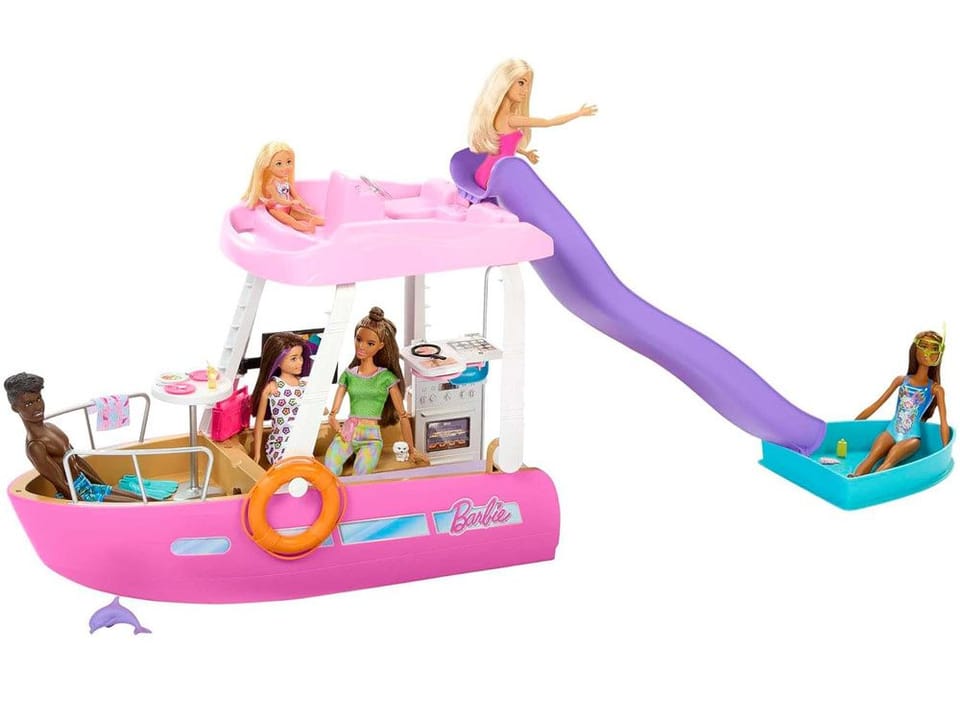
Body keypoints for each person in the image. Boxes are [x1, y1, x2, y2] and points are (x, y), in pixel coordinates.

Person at [5, 372, 145, 502]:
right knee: (138, 504)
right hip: (77, 495)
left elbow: (77, 460)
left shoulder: (51, 427)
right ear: (15, 408)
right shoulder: (35, 446)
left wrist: (104, 485)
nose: (37, 407)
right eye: (28, 403)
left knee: (144, 499)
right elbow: (61, 484)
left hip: (87, 485)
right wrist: (81, 506)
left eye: (38, 399)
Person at [324, 307, 427, 476]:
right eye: (358, 339)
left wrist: (411, 449)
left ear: (380, 346)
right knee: (329, 469)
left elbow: (403, 416)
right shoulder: (348, 374)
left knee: (360, 475)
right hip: (348, 430)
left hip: (371, 438)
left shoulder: (386, 378)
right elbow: (332, 414)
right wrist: (337, 427)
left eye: (370, 343)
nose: (361, 346)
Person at [467, 58, 597, 189]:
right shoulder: (511, 119)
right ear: (506, 82)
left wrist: (525, 153)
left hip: (491, 173)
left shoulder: (496, 115)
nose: (526, 90)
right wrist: (578, 113)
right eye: (521, 83)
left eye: (528, 85)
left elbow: (504, 144)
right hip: (493, 177)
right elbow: (548, 122)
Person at [850, 330, 949, 476]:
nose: (927, 352)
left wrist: (946, 450)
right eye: (923, 346)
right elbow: (877, 404)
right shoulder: (901, 380)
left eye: (934, 348)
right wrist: (852, 424)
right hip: (891, 431)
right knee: (871, 457)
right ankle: (853, 480)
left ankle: (867, 485)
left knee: (889, 462)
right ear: (915, 349)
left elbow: (943, 422)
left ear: (939, 354)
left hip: (912, 437)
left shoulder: (936, 389)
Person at [251, 332, 314, 465]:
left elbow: (318, 410)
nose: (300, 362)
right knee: (290, 468)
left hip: (302, 443)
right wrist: (257, 453)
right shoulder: (272, 387)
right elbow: (259, 423)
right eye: (293, 358)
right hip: (281, 444)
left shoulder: (305, 384)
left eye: (300, 357)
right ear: (278, 361)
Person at [242, 141, 325, 233]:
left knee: (305, 215)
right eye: (279, 164)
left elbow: (296, 196)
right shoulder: (270, 185)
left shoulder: (286, 183)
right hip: (277, 210)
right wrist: (291, 202)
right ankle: (308, 228)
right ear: (267, 166)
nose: (286, 167)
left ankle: (321, 221)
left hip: (288, 208)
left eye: (289, 162)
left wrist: (304, 206)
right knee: (292, 221)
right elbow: (278, 200)